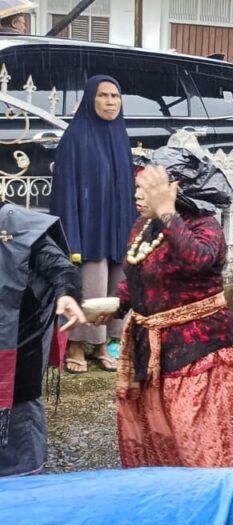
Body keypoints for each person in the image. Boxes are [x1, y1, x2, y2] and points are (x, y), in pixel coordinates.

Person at [111, 157, 233, 472]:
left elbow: (198, 260)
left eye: (148, 190)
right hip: (154, 355)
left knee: (202, 445)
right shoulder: (144, 226)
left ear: (173, 191)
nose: (138, 197)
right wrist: (108, 305)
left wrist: (168, 212)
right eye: (138, 189)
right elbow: (141, 280)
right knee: (163, 444)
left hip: (199, 356)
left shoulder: (203, 225)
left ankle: (222, 512)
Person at [51, 75, 136, 375]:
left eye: (115, 96)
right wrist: (71, 237)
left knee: (116, 289)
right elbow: (65, 192)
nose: (110, 102)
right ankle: (76, 344)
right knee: (91, 287)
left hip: (117, 228)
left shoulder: (120, 135)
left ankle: (103, 344)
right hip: (88, 231)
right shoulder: (76, 137)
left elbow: (127, 189)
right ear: (90, 99)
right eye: (103, 96)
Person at [0, 198, 85, 476]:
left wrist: (68, 295)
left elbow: (61, 268)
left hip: (18, 342)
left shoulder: (18, 225)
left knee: (19, 426)